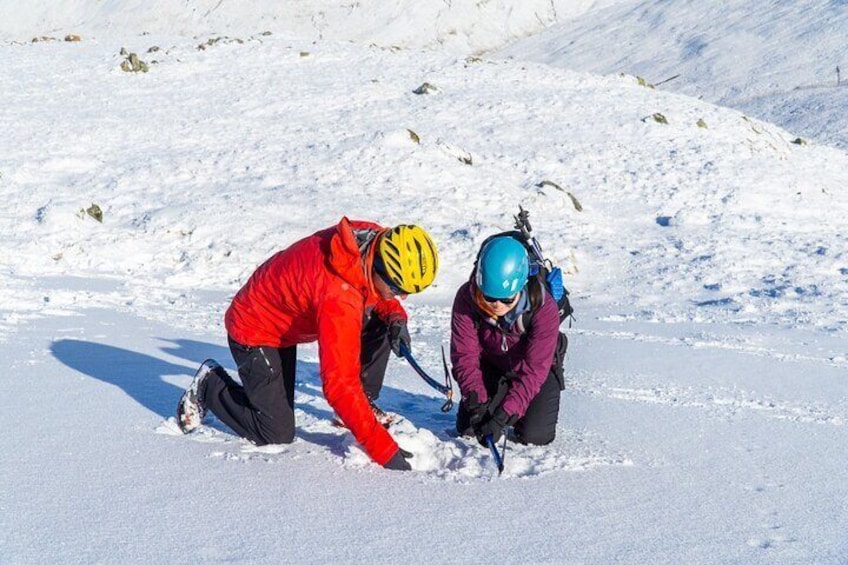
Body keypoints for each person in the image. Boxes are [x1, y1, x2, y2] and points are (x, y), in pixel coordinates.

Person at [176, 217, 439, 471]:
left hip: (286, 318)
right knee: (275, 433)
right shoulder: (339, 296)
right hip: (256, 328)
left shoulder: (371, 239)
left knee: (382, 319)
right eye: (397, 288)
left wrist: (395, 316)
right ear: (379, 264)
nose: (402, 296)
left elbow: (372, 286)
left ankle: (362, 406)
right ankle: (210, 384)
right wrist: (384, 450)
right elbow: (339, 385)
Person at [450, 235, 566, 447]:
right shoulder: (466, 299)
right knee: (468, 427)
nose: (497, 306)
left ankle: (519, 407)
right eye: (489, 297)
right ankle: (498, 399)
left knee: (536, 436)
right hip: (493, 366)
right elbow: (464, 357)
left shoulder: (543, 308)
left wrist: (504, 415)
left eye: (506, 299)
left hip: (535, 372)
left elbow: (534, 370)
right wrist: (477, 404)